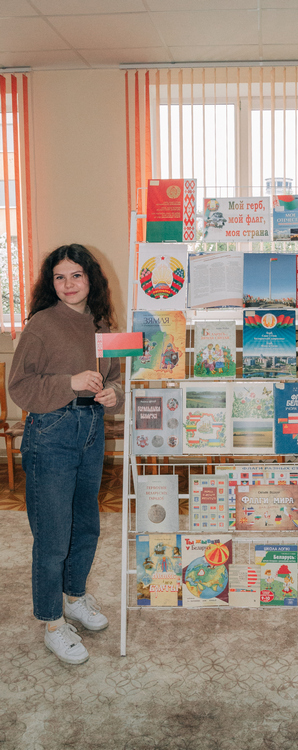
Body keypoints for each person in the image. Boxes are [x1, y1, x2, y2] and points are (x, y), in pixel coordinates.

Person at [9, 244, 124, 665]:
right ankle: (53, 622)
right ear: (50, 283)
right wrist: (69, 382)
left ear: (91, 279)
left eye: (76, 275)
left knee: (86, 525)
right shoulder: (41, 324)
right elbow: (19, 386)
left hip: (92, 428)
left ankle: (74, 598)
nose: (69, 284)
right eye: (60, 277)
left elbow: (116, 378)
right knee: (53, 535)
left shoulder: (103, 324)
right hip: (51, 432)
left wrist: (114, 394)